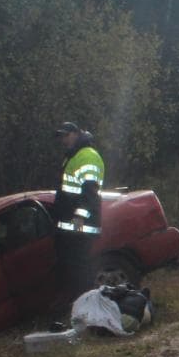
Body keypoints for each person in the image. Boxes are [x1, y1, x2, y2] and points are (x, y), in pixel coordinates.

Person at [53, 121, 106, 302]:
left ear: (76, 133)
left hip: (81, 228)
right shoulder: (73, 156)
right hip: (70, 227)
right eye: (61, 136)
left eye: (66, 135)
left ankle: (86, 308)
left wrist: (79, 216)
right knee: (73, 272)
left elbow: (90, 192)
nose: (63, 140)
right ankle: (78, 308)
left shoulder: (87, 156)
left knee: (81, 272)